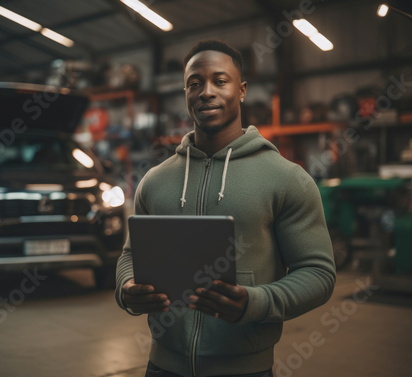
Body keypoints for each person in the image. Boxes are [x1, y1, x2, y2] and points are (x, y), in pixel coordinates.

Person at [115, 39, 336, 377]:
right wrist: (127, 288)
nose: (206, 91)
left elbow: (318, 273)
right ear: (185, 93)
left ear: (242, 90)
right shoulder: (155, 181)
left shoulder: (286, 178)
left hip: (245, 370)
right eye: (194, 83)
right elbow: (131, 254)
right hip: (162, 366)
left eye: (220, 80)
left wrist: (255, 302)